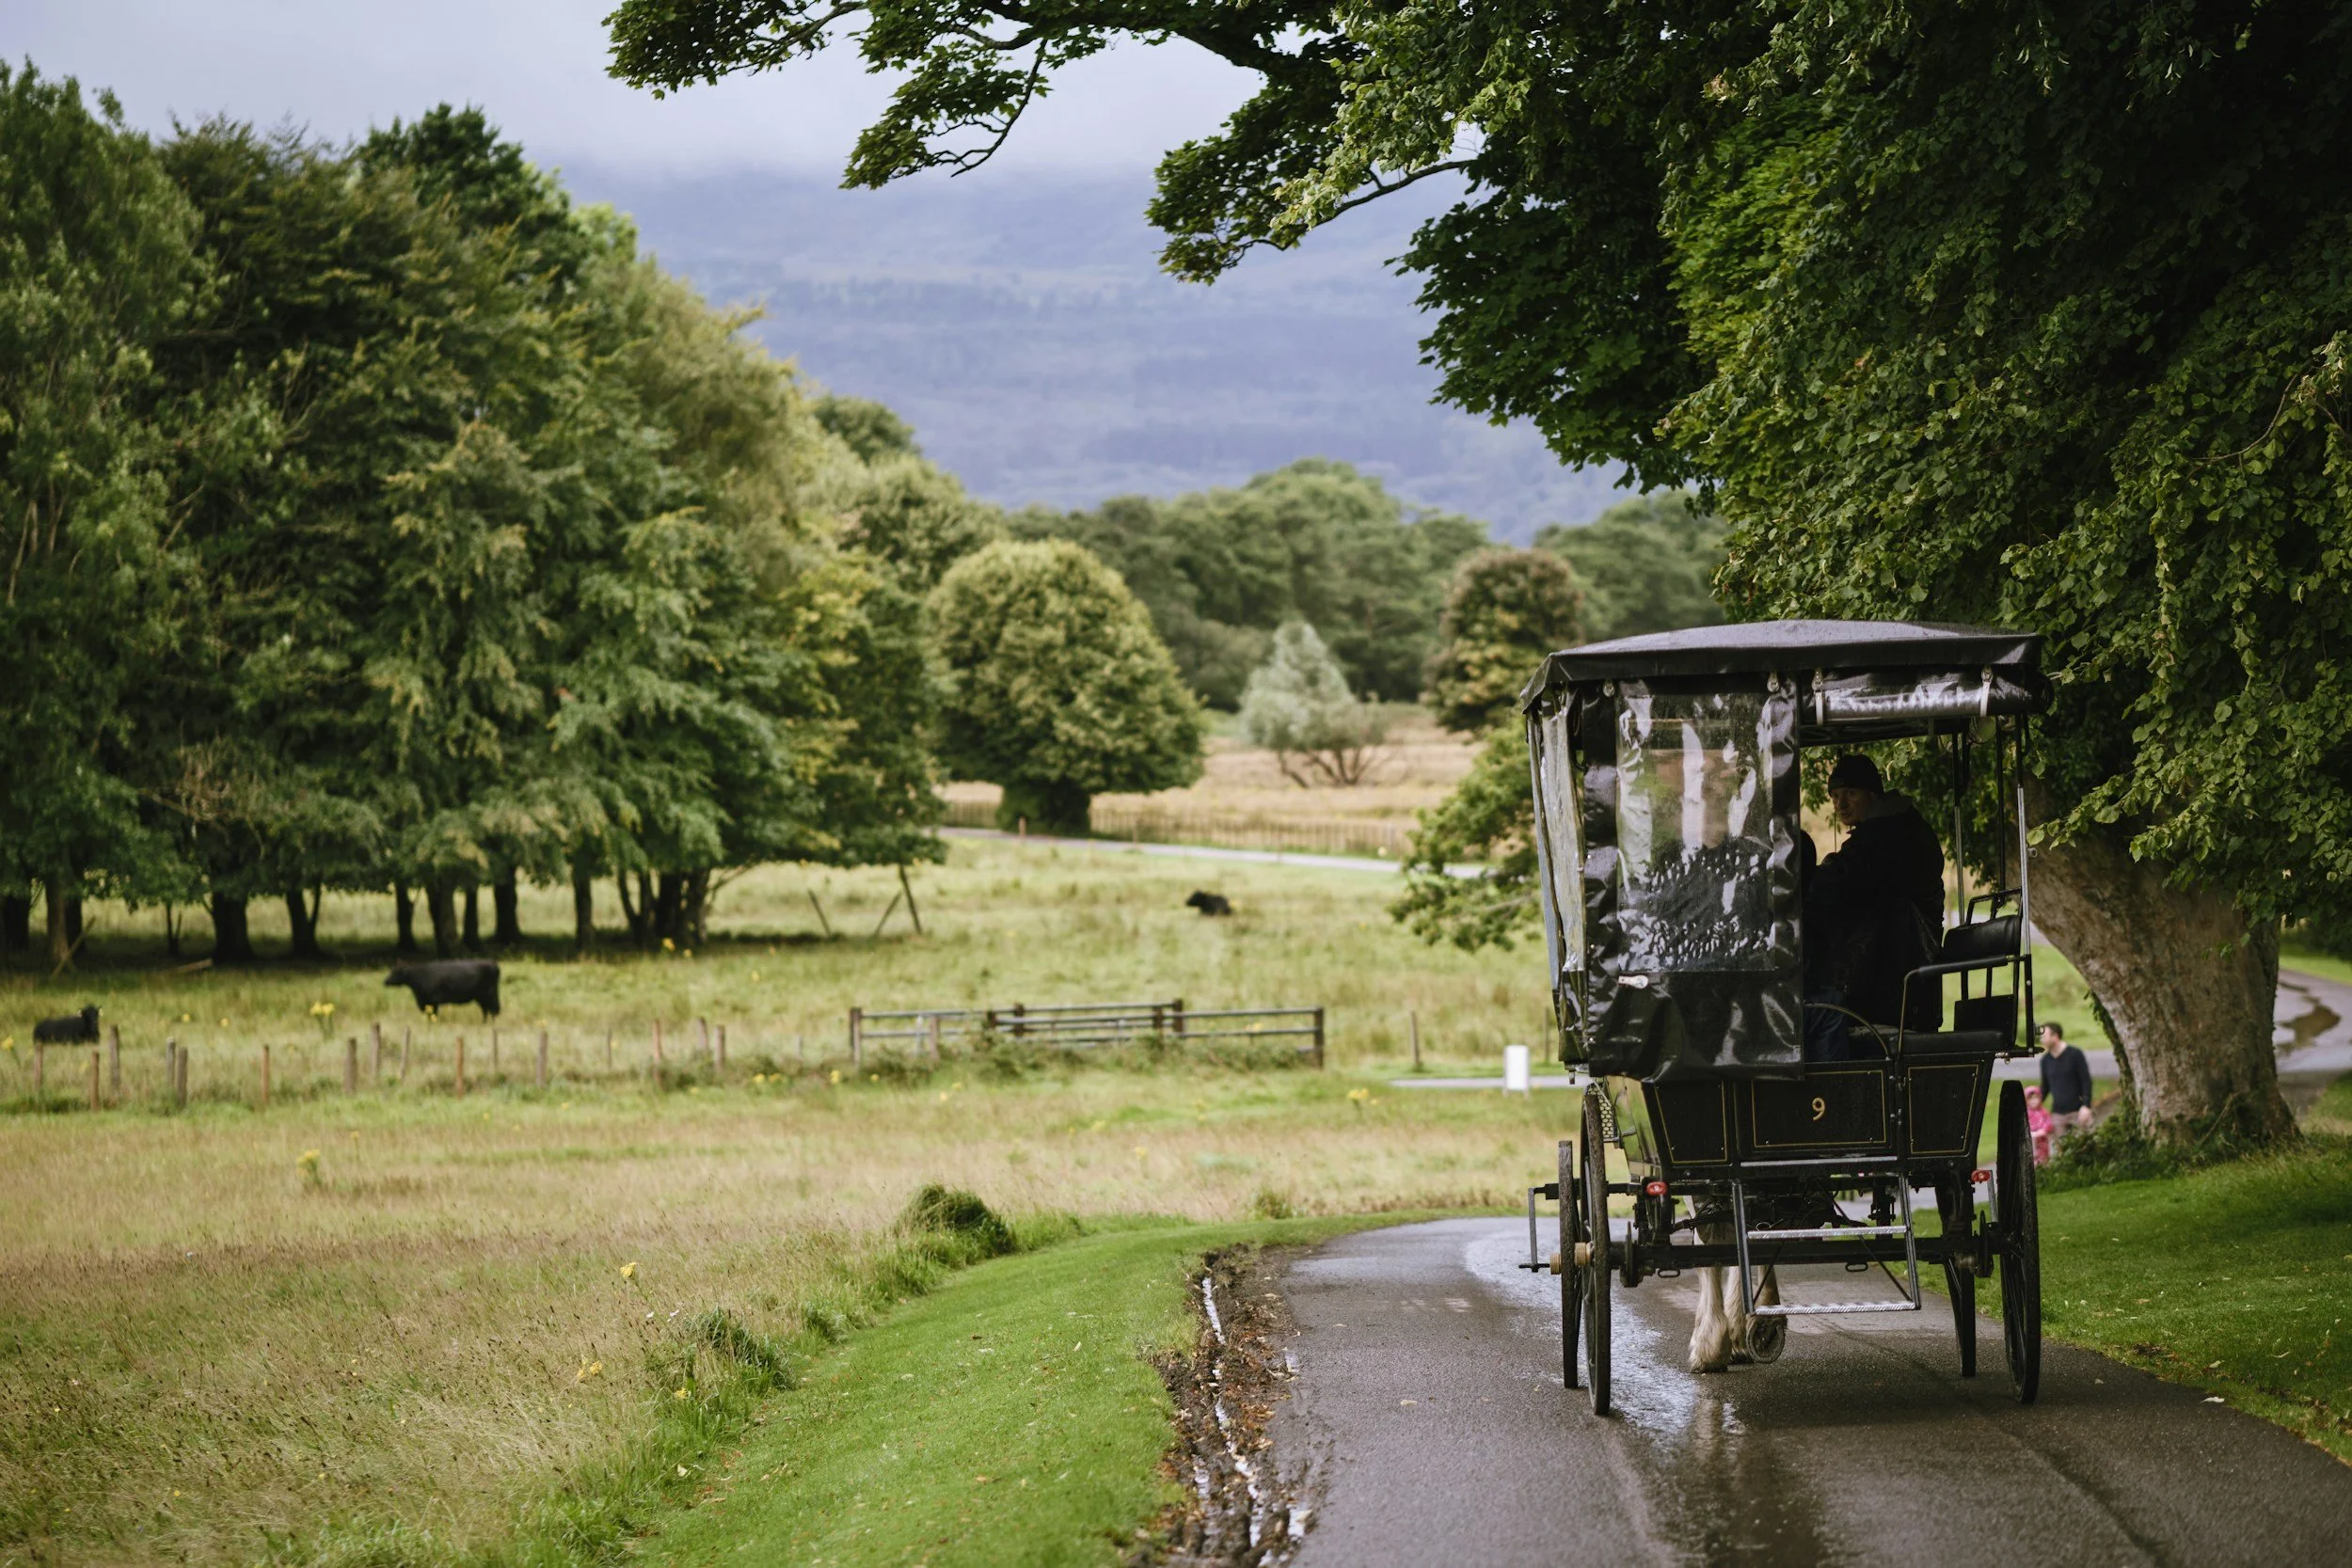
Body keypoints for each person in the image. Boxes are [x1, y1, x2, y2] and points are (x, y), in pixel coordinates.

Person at [1802, 753, 1947, 1060]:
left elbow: (1837, 882)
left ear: (1873, 794)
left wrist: (1800, 879)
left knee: (1818, 993)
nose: (1841, 804)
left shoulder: (1887, 834)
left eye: (1850, 794)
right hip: (1898, 964)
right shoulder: (1893, 826)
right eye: (1835, 796)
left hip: (1895, 972)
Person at [2038, 1022, 2094, 1143]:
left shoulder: (2075, 1054)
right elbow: (2045, 1087)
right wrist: (2035, 1105)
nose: (2041, 1040)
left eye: (2044, 1036)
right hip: (2058, 1114)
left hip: (2078, 1111)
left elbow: (2086, 1081)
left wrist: (2086, 1105)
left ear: (2055, 1036)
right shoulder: (2045, 1060)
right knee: (2061, 1152)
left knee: (2086, 1147)